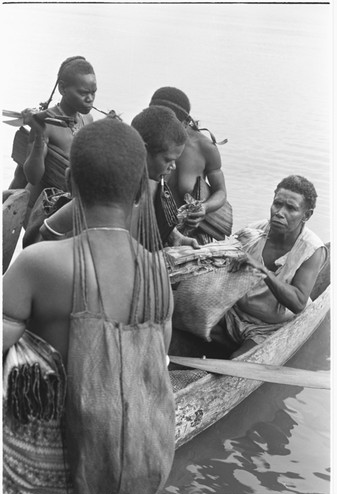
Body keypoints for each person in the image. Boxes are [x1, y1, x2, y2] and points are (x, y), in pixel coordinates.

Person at [3, 118, 176, 494]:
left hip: (51, 469)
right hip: (130, 466)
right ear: (139, 192)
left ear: (70, 184)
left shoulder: (39, 265)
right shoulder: (157, 274)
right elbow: (157, 361)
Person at [37, 106, 199, 248]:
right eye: (168, 160)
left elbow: (157, 221)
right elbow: (50, 229)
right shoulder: (109, 188)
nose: (173, 166)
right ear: (143, 149)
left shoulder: (157, 186)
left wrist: (177, 237)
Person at [211, 175, 328, 358]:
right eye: (277, 204)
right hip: (232, 313)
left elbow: (298, 303)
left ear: (307, 215)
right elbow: (223, 263)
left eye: (291, 208)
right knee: (182, 324)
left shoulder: (311, 250)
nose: (280, 212)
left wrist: (262, 270)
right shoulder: (253, 232)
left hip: (269, 328)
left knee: (236, 362)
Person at [20, 56, 96, 232]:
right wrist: (39, 134)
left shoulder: (87, 119)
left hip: (64, 207)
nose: (90, 98)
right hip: (39, 210)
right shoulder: (44, 122)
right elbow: (33, 176)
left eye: (93, 92)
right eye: (83, 93)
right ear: (62, 88)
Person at [149, 86, 228, 244]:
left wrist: (204, 208)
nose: (162, 129)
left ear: (185, 122)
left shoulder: (204, 148)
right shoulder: (144, 139)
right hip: (151, 231)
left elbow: (221, 192)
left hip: (191, 238)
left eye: (169, 123)